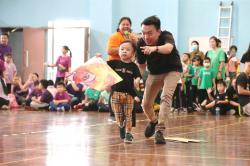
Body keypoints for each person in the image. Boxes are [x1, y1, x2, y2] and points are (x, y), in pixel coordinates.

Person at [136, 16, 182, 144]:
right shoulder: (141, 43)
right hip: (155, 72)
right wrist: (137, 78)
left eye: (149, 33)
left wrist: (154, 48)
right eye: (143, 33)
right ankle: (153, 121)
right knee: (145, 104)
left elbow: (168, 48)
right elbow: (141, 65)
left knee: (165, 96)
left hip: (173, 70)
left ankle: (160, 130)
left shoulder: (166, 36)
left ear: (158, 31)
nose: (146, 37)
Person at [107, 40, 141, 143]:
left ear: (133, 53)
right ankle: (121, 125)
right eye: (122, 49)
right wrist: (98, 58)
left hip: (129, 95)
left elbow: (138, 76)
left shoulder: (134, 66)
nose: (124, 51)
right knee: (119, 115)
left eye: (127, 49)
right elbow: (102, 66)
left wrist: (138, 80)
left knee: (128, 115)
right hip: (115, 95)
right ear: (118, 52)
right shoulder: (114, 63)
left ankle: (128, 133)